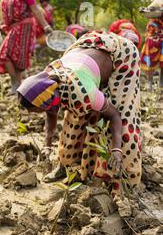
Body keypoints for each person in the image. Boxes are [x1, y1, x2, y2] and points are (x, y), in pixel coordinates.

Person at [17, 31, 142, 196]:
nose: (33, 113)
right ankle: (69, 167)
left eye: (34, 110)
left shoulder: (84, 92)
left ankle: (123, 181)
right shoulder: (49, 84)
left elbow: (114, 116)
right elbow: (51, 112)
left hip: (122, 56)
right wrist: (47, 145)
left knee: (121, 113)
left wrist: (116, 149)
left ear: (44, 102)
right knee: (75, 118)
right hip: (85, 52)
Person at [0, 0, 53, 95]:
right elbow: (7, 15)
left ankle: (16, 85)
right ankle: (17, 85)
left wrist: (46, 26)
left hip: (24, 27)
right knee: (12, 57)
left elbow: (35, 9)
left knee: (6, 55)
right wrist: (1, 24)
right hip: (13, 28)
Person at [141, 16, 163, 91]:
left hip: (159, 45)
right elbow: (149, 34)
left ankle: (161, 83)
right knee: (150, 64)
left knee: (162, 64)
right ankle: (149, 82)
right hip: (152, 45)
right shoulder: (152, 23)